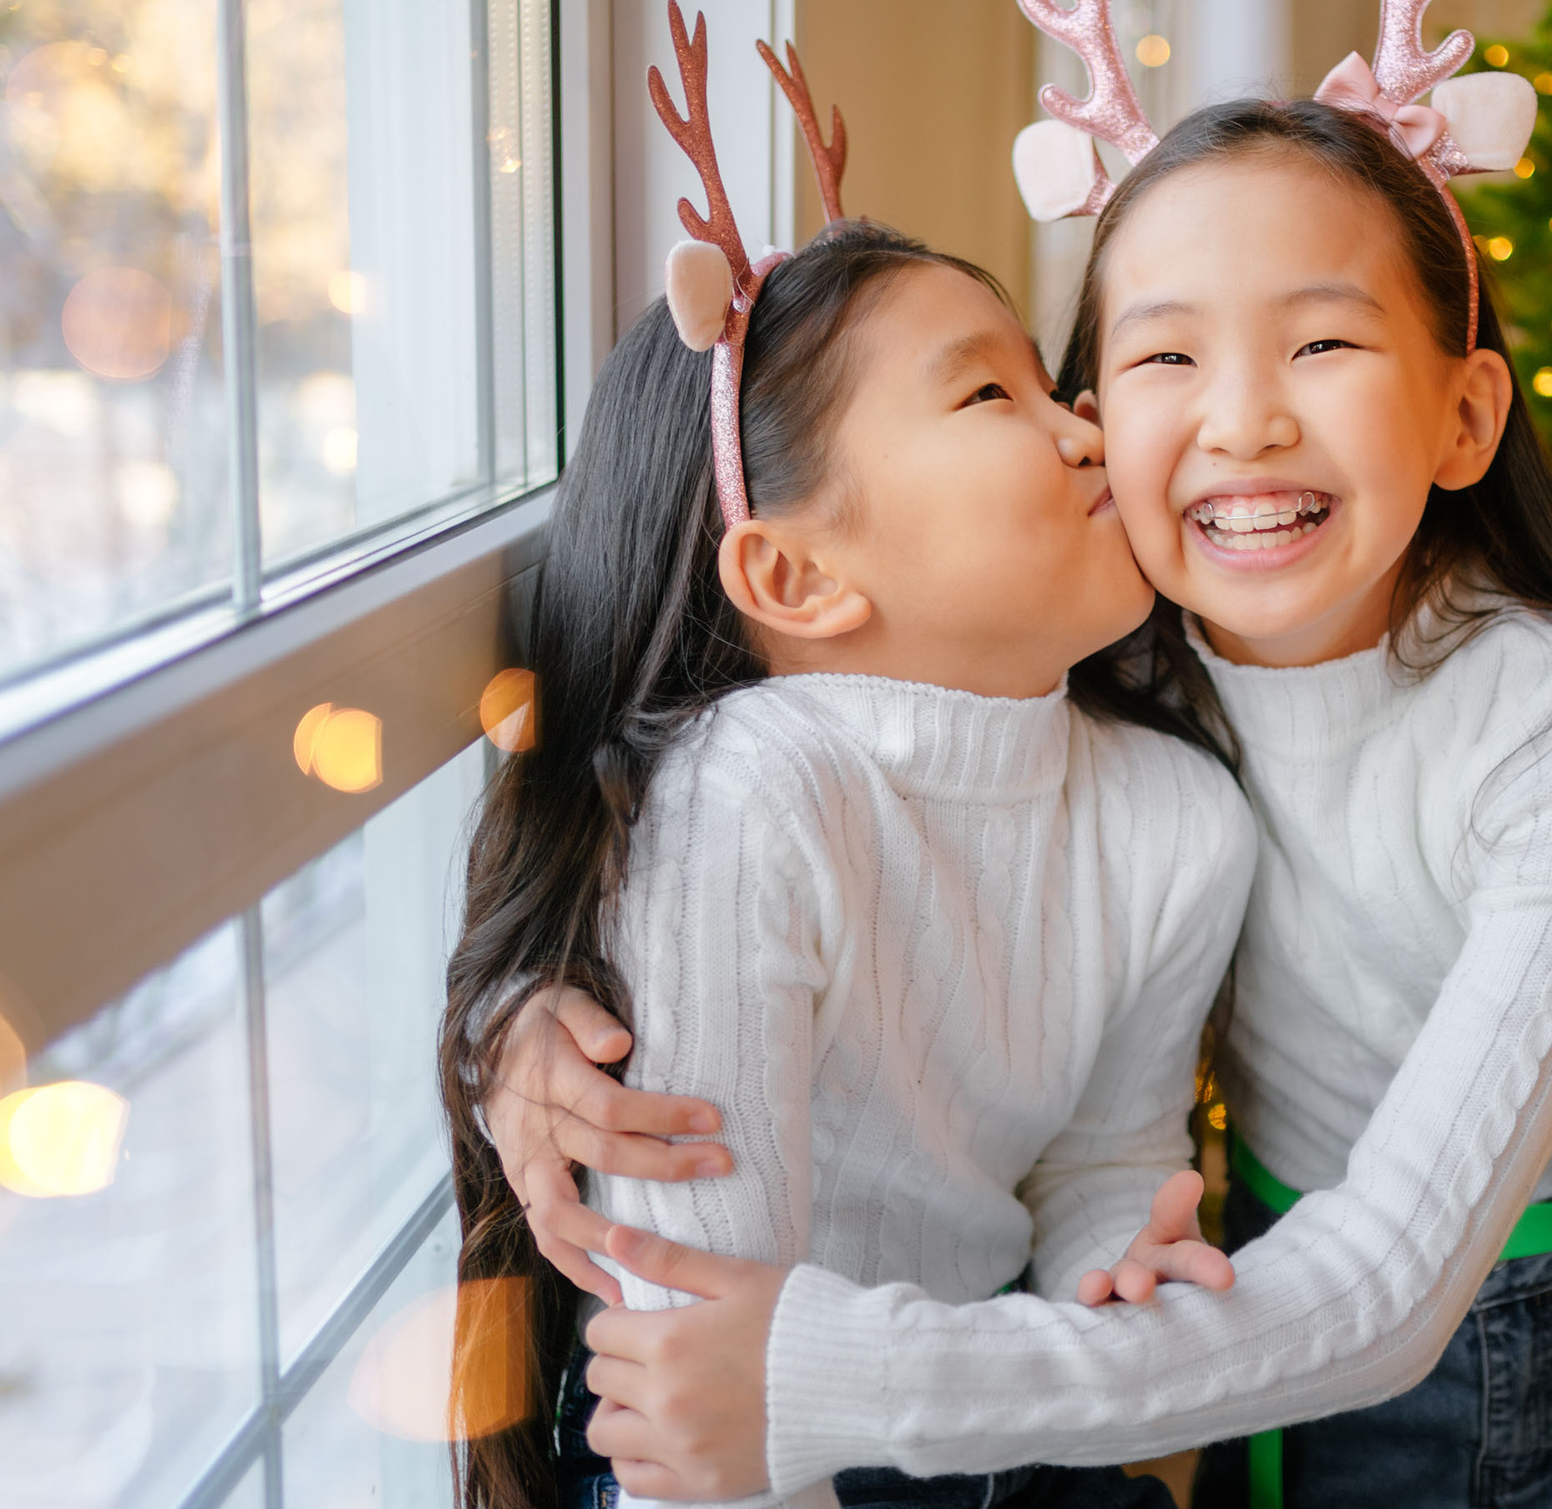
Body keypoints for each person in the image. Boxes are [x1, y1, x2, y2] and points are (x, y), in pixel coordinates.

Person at [492, 90, 1552, 1507]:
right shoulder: (1108, 660)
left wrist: (859, 1369)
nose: (1241, 421)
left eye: (1323, 342)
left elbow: (1367, 1272)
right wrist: (519, 1018)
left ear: (1466, 414)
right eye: (1164, 355)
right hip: (1256, 1291)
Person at [439, 141, 1264, 1509]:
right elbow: (692, 1302)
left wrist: (1115, 1257)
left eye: (1052, 385)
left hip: (976, 1395)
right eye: (990, 393)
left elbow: (1105, 1155)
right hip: (720, 1446)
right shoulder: (753, 793)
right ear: (796, 576)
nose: (1087, 427)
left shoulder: (1183, 819)